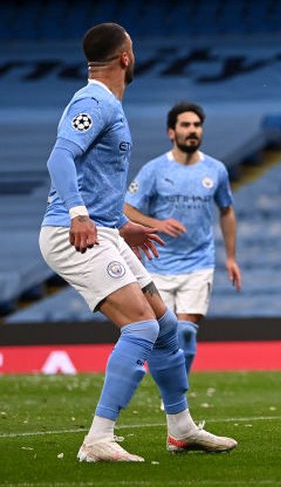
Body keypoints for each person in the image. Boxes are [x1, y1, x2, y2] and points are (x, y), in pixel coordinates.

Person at [38, 23, 236, 462]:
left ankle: (181, 428)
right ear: (125, 57)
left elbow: (96, 176)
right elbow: (60, 156)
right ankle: (98, 438)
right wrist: (79, 214)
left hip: (105, 230)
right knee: (141, 326)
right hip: (73, 232)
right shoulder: (94, 102)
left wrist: (120, 224)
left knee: (165, 327)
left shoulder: (107, 104)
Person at [124, 101, 241, 379]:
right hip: (158, 263)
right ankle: (171, 390)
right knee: (164, 334)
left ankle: (176, 392)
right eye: (186, 125)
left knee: (185, 330)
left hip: (198, 262)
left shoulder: (215, 170)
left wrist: (231, 258)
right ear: (171, 132)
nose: (192, 130)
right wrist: (157, 224)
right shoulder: (154, 170)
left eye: (197, 125)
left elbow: (226, 211)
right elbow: (127, 208)